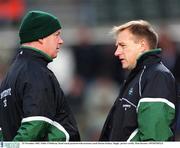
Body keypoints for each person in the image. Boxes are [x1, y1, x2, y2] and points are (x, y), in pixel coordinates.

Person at [0, 10, 80, 141]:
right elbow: (35, 124)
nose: (61, 41)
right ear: (41, 37)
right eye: (57, 35)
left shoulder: (11, 74)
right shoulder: (36, 72)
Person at [99, 20, 177, 141]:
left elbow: (154, 140)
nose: (117, 52)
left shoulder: (157, 76)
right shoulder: (138, 76)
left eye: (122, 45)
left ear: (142, 45)